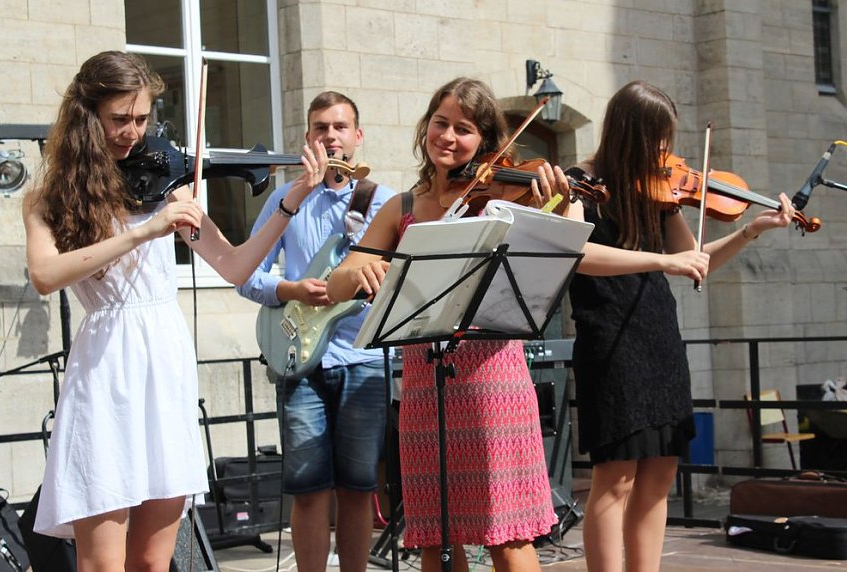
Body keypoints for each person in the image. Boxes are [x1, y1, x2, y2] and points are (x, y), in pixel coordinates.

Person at [23, 50, 322, 571]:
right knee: (101, 564)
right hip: (105, 370)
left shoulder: (167, 186)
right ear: (87, 116)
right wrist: (145, 231)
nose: (133, 133)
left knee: (152, 562)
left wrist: (290, 201)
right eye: (119, 119)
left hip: (164, 364)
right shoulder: (49, 199)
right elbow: (46, 275)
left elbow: (234, 266)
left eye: (142, 118)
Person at [327, 77, 565, 572]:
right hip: (425, 383)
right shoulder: (402, 207)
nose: (448, 137)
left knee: (508, 534)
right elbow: (337, 285)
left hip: (491, 378)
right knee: (435, 535)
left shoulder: (503, 200)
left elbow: (559, 237)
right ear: (426, 126)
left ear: (485, 141)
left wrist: (559, 200)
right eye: (441, 123)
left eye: (464, 129)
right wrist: (361, 272)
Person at [564, 80, 796, 572]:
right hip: (610, 342)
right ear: (631, 133)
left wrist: (751, 230)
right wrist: (660, 261)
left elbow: (694, 260)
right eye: (657, 138)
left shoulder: (659, 192)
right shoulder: (578, 183)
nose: (665, 151)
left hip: (659, 339)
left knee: (658, 478)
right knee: (616, 479)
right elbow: (578, 254)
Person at [236, 91, 395, 572]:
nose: (331, 136)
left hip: (363, 359)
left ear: (357, 136)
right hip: (298, 356)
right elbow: (245, 274)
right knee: (307, 490)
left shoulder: (384, 202)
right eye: (321, 128)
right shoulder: (287, 198)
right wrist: (290, 289)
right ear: (308, 138)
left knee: (358, 488)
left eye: (340, 127)